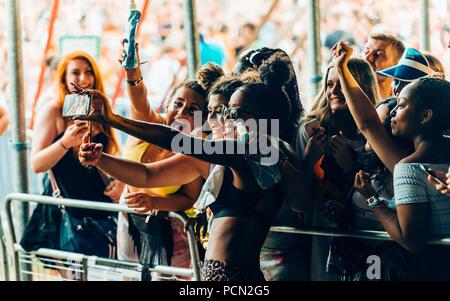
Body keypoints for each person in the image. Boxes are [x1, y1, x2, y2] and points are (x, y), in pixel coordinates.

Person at [77, 57, 311, 281]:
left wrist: (113, 120)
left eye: (233, 113)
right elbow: (147, 174)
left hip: (231, 277)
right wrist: (100, 158)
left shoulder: (251, 151)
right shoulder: (272, 151)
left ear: (263, 118)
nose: (224, 120)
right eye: (223, 112)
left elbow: (174, 139)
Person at [332, 41, 450, 280]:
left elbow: (411, 241)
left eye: (402, 105)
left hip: (428, 270)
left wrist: (372, 198)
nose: (394, 109)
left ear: (426, 116)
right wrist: (342, 70)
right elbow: (368, 124)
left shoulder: (408, 168)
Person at [116, 46, 211, 274]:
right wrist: (132, 72)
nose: (181, 112)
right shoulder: (149, 125)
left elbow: (188, 198)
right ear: (167, 103)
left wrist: (154, 204)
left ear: (203, 119)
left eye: (192, 109)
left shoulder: (197, 151)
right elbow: (139, 100)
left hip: (172, 231)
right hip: (129, 221)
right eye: (177, 104)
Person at [29, 51, 122, 259]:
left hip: (103, 211)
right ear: (64, 78)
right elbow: (36, 164)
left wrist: (119, 182)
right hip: (70, 212)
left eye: (89, 72)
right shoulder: (53, 111)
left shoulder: (100, 109)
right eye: (75, 73)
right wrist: (65, 142)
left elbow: (113, 156)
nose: (83, 79)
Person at [233, 48, 310, 280]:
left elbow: (302, 202)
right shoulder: (232, 140)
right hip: (244, 255)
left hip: (282, 252)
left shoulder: (295, 134)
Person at [362, 32, 405, 99]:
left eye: (379, 54)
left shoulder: (400, 102)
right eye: (366, 51)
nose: (367, 57)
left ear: (396, 65)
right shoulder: (348, 99)